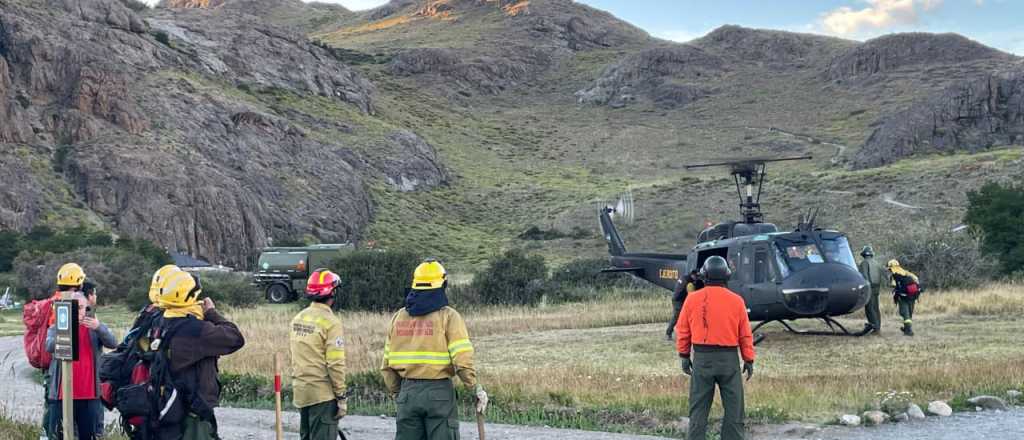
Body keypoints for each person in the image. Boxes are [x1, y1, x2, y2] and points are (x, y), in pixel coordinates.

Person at [381, 259, 488, 440]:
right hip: (439, 393)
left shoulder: (398, 317)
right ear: (442, 285)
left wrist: (399, 394)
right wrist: (474, 388)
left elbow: (386, 365)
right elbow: (462, 361)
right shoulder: (449, 316)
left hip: (407, 393)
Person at [157, 271, 245, 440]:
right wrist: (211, 312)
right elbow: (235, 338)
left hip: (166, 406)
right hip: (192, 410)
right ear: (190, 297)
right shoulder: (195, 330)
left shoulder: (159, 322)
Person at [675, 256, 755, 440]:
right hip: (729, 360)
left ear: (704, 275)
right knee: (734, 410)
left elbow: (683, 330)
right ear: (727, 275)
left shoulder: (692, 300)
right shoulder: (737, 301)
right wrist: (748, 359)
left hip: (702, 359)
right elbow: (745, 334)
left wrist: (684, 355)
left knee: (698, 410)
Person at [45, 291, 117, 440]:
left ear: (87, 308)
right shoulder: (57, 327)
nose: (79, 311)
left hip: (89, 395)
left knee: (90, 436)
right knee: (58, 435)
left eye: (82, 307)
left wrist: (99, 327)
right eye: (74, 308)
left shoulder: (93, 327)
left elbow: (113, 343)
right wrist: (66, 328)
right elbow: (49, 346)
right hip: (62, 396)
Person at [290, 269, 347, 440]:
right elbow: (335, 364)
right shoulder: (331, 323)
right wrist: (341, 397)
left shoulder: (298, 318)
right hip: (323, 395)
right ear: (332, 293)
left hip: (301, 392)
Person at [887, 260, 921, 337]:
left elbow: (893, 285)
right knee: (909, 312)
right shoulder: (906, 272)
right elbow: (916, 279)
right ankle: (907, 328)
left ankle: (909, 331)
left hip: (903, 297)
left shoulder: (894, 275)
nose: (889, 270)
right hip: (913, 295)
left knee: (905, 313)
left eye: (889, 269)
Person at [666, 271, 702, 341]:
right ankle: (668, 333)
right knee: (677, 317)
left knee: (684, 317)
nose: (697, 278)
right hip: (678, 301)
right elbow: (691, 295)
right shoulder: (689, 284)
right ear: (692, 275)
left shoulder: (684, 277)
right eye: (696, 277)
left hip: (678, 299)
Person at [858, 246, 885, 334]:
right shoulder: (876, 263)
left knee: (869, 308)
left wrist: (866, 286)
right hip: (877, 287)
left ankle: (875, 327)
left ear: (864, 255)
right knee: (876, 307)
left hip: (869, 287)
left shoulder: (864, 263)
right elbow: (882, 275)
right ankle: (878, 326)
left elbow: (864, 276)